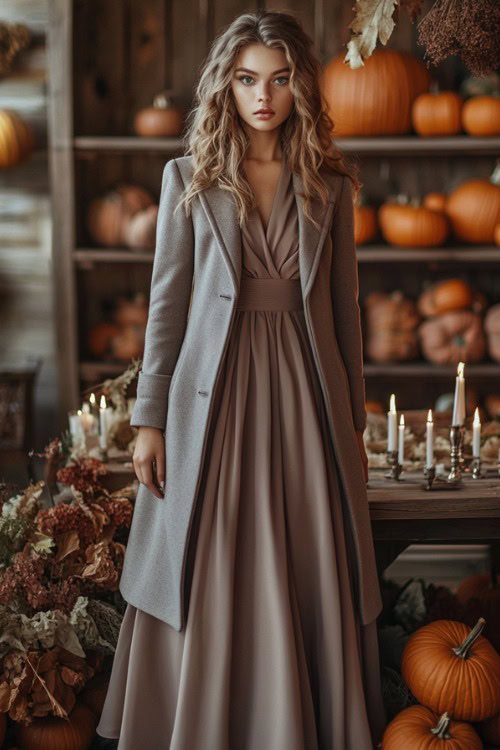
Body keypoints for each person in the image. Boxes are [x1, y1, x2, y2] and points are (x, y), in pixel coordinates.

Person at [96, 9, 386, 749]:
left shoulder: (328, 183)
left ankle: (294, 719)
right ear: (226, 84)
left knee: (305, 551)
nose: (264, 96)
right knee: (216, 546)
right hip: (211, 396)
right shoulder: (187, 178)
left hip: (305, 391)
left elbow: (345, 315)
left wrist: (353, 423)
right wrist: (150, 420)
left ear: (299, 87)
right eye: (248, 79)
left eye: (280, 80)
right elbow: (166, 308)